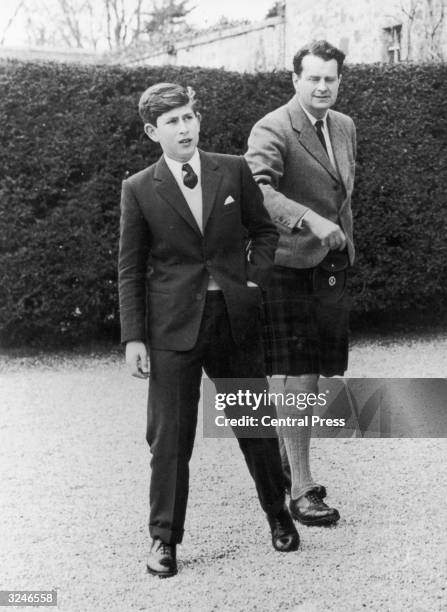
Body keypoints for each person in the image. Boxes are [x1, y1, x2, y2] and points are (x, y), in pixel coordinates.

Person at [118, 83, 300, 578]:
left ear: (198, 119)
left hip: (232, 321)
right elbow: (131, 267)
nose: (184, 127)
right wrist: (135, 337)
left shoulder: (234, 169)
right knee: (170, 438)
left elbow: (264, 231)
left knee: (255, 427)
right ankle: (163, 539)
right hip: (172, 328)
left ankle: (279, 515)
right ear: (154, 131)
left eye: (188, 117)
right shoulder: (138, 188)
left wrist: (251, 281)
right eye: (172, 121)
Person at [245, 40, 357, 527]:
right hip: (285, 265)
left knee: (317, 371)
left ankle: (290, 459)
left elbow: (340, 192)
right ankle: (302, 488)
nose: (322, 86)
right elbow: (257, 189)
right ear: (295, 80)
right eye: (313, 77)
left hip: (329, 265)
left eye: (330, 78)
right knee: (297, 373)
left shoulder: (345, 126)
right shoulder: (273, 126)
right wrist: (307, 219)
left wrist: (343, 241)